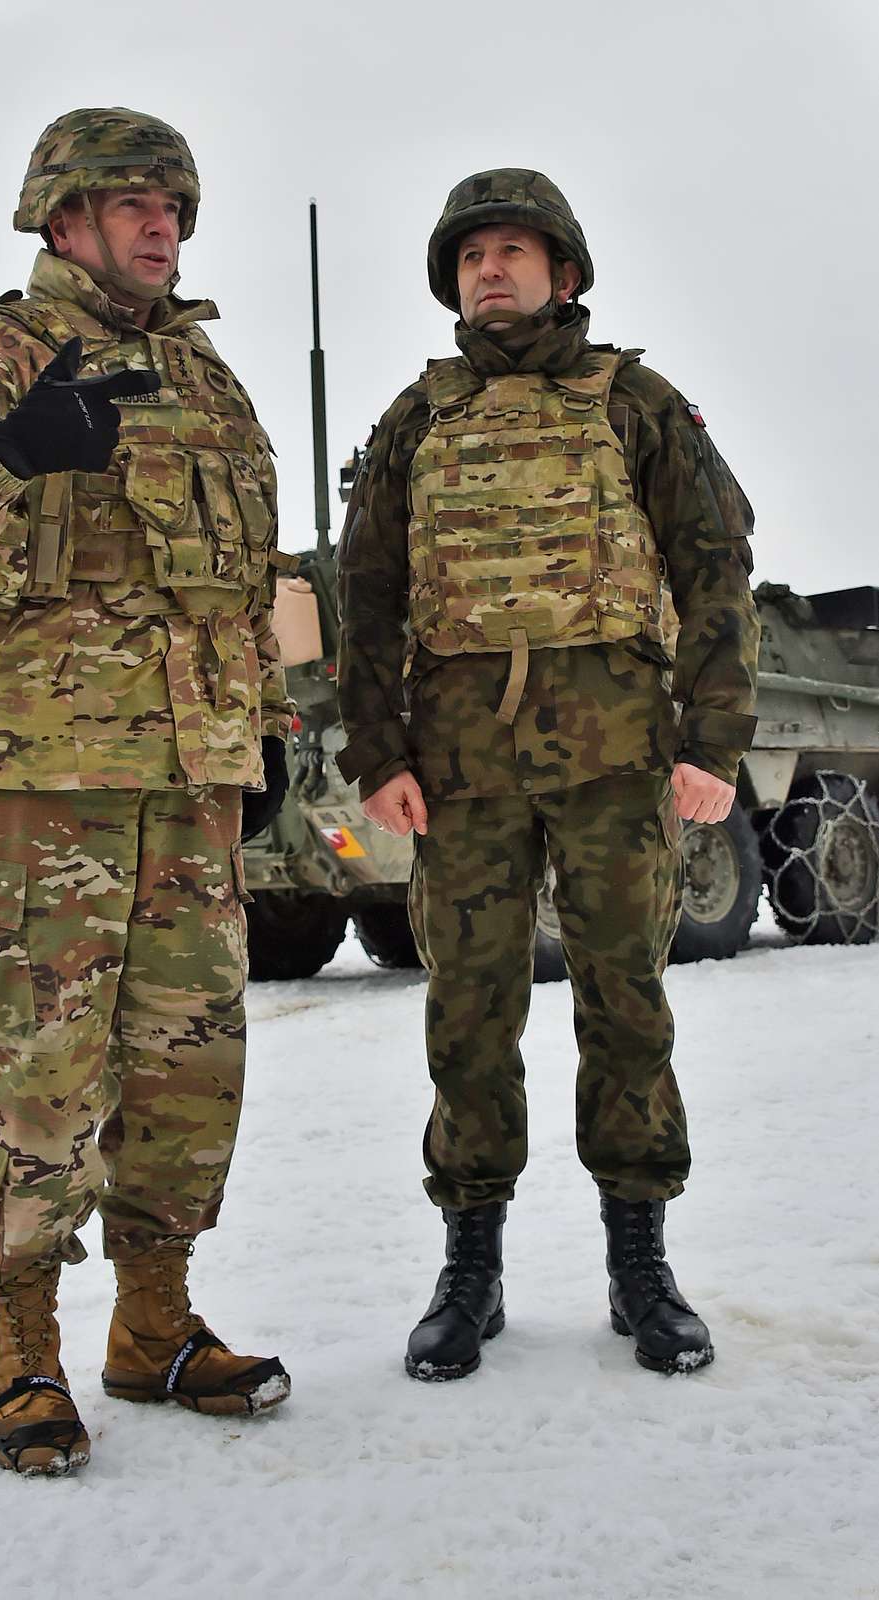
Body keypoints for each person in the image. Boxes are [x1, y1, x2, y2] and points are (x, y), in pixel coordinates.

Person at [0, 106, 295, 1475]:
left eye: (175, 205)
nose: (162, 225)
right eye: (134, 202)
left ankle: (152, 1324)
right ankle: (23, 1349)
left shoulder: (207, 381)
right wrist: (9, 452)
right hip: (41, 794)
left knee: (189, 1069)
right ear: (64, 217)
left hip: (189, 789)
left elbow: (246, 582)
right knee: (41, 1074)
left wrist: (259, 733)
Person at [336, 169, 759, 1382]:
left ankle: (641, 1264)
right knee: (468, 1015)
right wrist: (376, 753)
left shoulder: (637, 404)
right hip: (461, 773)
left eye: (516, 251)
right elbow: (366, 601)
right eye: (473, 257)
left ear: (564, 273)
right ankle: (471, 1266)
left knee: (626, 1006)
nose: (492, 272)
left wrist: (711, 743)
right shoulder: (417, 419)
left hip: (620, 762)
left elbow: (714, 568)